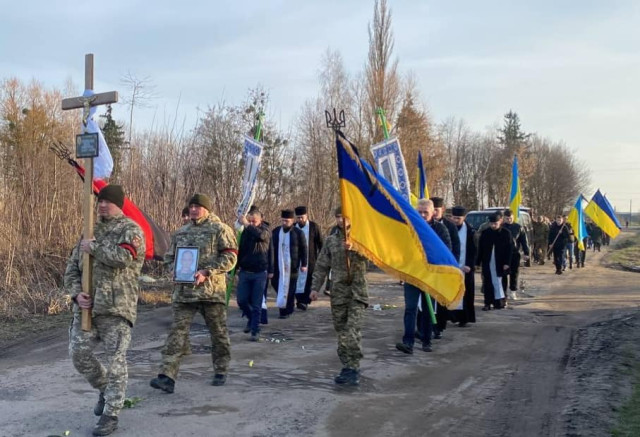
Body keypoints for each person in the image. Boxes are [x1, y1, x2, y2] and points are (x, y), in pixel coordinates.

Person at [65, 185, 145, 436]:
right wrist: (77, 294)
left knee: (116, 361)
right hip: (87, 310)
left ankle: (111, 414)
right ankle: (104, 389)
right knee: (78, 354)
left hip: (116, 308)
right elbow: (72, 269)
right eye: (99, 201)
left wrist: (95, 248)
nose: (102, 205)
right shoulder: (89, 231)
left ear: (118, 205)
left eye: (107, 202)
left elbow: (124, 257)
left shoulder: (130, 229)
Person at [150, 193, 237, 393]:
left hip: (210, 293)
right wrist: (173, 270)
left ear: (207, 209)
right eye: (191, 206)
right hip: (185, 293)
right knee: (176, 334)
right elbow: (169, 257)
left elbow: (230, 258)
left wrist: (207, 272)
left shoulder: (220, 229)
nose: (194, 210)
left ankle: (221, 370)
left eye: (198, 206)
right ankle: (167, 376)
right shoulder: (181, 232)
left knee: (218, 334)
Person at [310, 206, 369, 385]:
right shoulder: (331, 241)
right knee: (341, 330)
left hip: (357, 293)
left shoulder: (362, 238)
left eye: (344, 217)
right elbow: (321, 265)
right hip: (338, 293)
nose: (340, 221)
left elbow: (375, 257)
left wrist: (356, 247)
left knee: (351, 330)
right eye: (338, 217)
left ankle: (353, 366)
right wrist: (315, 288)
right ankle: (346, 365)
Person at [396, 199, 450, 355]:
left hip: (430, 276)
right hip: (412, 274)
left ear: (433, 213)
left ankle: (427, 340)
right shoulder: (409, 227)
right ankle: (408, 342)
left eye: (425, 212)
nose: (422, 215)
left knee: (428, 309)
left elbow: (446, 250)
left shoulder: (440, 229)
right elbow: (401, 249)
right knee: (410, 308)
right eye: (419, 212)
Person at [236, 206, 273, 341]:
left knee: (257, 303)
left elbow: (261, 236)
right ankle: (251, 319)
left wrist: (247, 224)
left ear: (260, 220)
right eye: (249, 221)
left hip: (259, 273)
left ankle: (255, 330)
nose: (251, 223)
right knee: (242, 300)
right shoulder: (245, 232)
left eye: (254, 221)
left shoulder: (265, 230)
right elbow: (240, 249)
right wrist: (235, 267)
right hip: (245, 271)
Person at [429, 197, 459, 337]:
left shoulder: (449, 226)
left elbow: (455, 247)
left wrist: (453, 266)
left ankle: (439, 327)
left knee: (441, 299)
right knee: (426, 300)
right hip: (427, 269)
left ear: (442, 210)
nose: (434, 213)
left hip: (444, 267)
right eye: (432, 210)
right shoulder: (423, 224)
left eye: (437, 210)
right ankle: (424, 327)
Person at [270, 210, 308, 319]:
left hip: (292, 266)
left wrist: (304, 264)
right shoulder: (276, 232)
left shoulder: (298, 233)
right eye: (282, 220)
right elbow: (271, 248)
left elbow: (303, 249)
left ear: (292, 220)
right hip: (277, 265)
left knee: (290, 289)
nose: (284, 223)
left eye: (286, 221)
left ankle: (286, 311)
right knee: (277, 285)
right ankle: (285, 306)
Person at [476, 213, 512, 310]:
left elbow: (509, 249)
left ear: (500, 221)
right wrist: (477, 262)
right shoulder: (485, 233)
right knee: (487, 282)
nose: (493, 225)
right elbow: (480, 248)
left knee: (500, 282)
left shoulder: (506, 233)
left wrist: (507, 263)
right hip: (487, 261)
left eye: (495, 223)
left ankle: (500, 302)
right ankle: (487, 303)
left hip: (500, 262)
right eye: (491, 223)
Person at [449, 206, 476, 327]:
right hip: (451, 266)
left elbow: (474, 250)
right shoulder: (448, 228)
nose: (455, 220)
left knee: (466, 293)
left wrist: (470, 265)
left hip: (466, 267)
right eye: (454, 218)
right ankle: (451, 316)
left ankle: (464, 318)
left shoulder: (470, 231)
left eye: (458, 218)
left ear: (464, 218)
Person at [294, 206, 323, 311]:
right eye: (298, 218)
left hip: (310, 259)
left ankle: (305, 301)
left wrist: (321, 257)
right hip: (296, 259)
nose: (300, 219)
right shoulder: (293, 227)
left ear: (306, 216)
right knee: (297, 280)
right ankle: (299, 300)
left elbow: (320, 243)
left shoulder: (314, 227)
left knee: (308, 280)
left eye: (302, 217)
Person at [501, 209, 530, 299]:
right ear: (504, 218)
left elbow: (524, 241)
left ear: (513, 217)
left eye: (510, 218)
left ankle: (513, 291)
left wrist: (526, 252)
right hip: (503, 254)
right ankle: (503, 292)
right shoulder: (501, 227)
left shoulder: (518, 227)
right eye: (507, 218)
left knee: (514, 273)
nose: (509, 220)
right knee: (503, 274)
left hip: (515, 253)